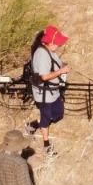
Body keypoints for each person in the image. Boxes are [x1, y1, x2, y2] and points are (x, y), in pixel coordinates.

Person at [24, 25, 70, 157]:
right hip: (44, 94)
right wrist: (61, 71)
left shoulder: (49, 50)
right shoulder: (42, 55)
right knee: (46, 118)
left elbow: (55, 63)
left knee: (58, 113)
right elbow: (44, 77)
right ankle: (46, 146)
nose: (59, 45)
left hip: (53, 91)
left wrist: (62, 66)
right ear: (51, 42)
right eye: (58, 43)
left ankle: (32, 125)